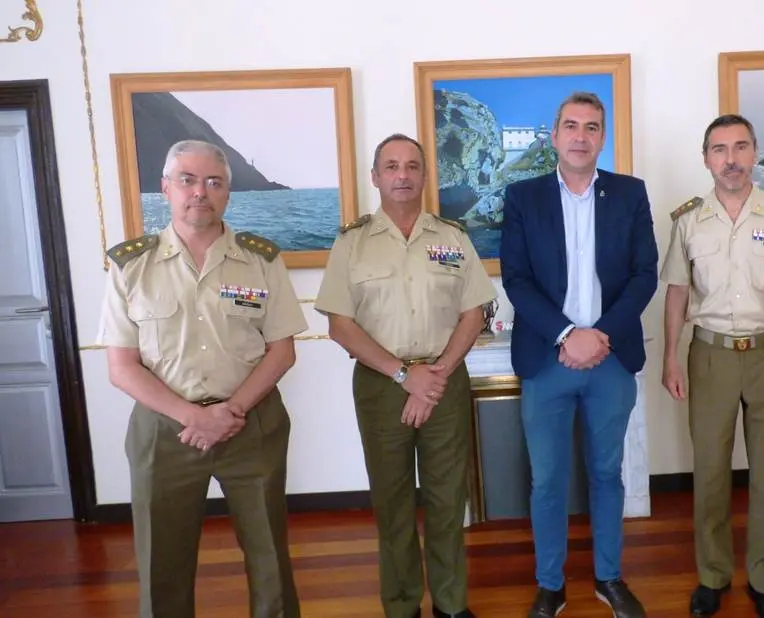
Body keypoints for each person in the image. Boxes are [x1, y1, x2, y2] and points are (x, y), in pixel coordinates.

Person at [98, 140, 307, 618]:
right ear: (165, 188)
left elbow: (282, 350)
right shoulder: (131, 265)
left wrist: (229, 413)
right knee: (162, 561)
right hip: (165, 430)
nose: (200, 192)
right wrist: (195, 416)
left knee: (269, 553)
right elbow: (121, 366)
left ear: (228, 192)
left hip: (251, 424)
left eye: (214, 182)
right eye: (188, 180)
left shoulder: (261, 260)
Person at [314, 133, 495, 618]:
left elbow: (474, 312)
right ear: (375, 177)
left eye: (412, 166)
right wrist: (403, 375)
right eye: (391, 166)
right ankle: (401, 605)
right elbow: (339, 325)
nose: (402, 175)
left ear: (424, 175)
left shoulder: (452, 237)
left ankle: (451, 605)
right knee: (392, 502)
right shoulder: (352, 243)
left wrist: (432, 376)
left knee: (446, 498)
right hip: (380, 386)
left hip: (444, 380)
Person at [500, 92, 658, 618]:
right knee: (547, 479)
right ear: (555, 134)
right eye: (571, 126)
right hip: (548, 360)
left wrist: (601, 336)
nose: (581, 136)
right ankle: (551, 583)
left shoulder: (630, 194)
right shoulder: (523, 197)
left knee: (607, 474)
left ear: (602, 137)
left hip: (611, 360)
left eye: (592, 127)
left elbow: (644, 275)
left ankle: (609, 578)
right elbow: (517, 280)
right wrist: (568, 334)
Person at [660, 114, 764, 618]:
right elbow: (678, 293)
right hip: (709, 355)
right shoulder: (688, 219)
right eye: (720, 150)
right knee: (710, 471)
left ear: (755, 152)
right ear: (706, 159)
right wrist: (670, 359)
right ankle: (713, 575)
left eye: (741, 147)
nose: (731, 159)